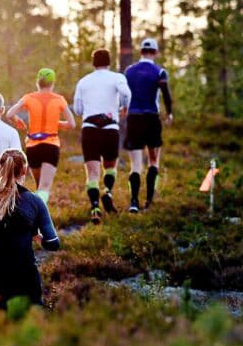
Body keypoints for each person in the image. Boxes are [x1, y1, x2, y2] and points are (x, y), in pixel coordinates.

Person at [0, 149, 60, 308]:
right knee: (26, 328)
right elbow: (53, 243)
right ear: (24, 170)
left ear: (0, 168)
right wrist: (35, 236)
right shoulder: (35, 201)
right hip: (25, 278)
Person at [72, 48, 132, 223]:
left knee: (92, 172)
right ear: (109, 62)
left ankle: (95, 207)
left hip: (90, 127)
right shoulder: (117, 77)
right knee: (110, 166)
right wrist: (124, 107)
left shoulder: (83, 82)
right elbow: (126, 94)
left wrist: (88, 109)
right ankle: (108, 191)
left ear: (93, 63)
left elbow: (77, 109)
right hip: (110, 127)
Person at [6, 68, 76, 204]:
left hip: (33, 146)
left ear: (38, 82)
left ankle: (36, 218)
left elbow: (9, 114)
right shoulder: (59, 99)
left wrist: (17, 120)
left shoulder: (29, 97)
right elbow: (72, 124)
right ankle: (37, 218)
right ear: (52, 83)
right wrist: (57, 123)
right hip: (51, 145)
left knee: (39, 187)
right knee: (44, 188)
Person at [124, 38, 174, 213]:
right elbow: (166, 94)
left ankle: (134, 202)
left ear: (141, 52)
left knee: (135, 165)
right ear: (155, 52)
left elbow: (124, 95)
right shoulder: (160, 72)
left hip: (134, 118)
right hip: (152, 118)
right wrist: (169, 113)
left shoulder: (129, 71)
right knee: (153, 160)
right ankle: (149, 200)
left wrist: (123, 109)